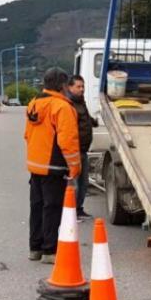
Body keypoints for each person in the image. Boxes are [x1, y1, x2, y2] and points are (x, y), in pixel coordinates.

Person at [25, 67, 82, 264]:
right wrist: (74, 166)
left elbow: (27, 135)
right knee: (52, 208)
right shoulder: (62, 107)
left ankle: (35, 248)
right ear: (62, 85)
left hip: (36, 165)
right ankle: (49, 251)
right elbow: (68, 140)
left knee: (37, 207)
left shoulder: (34, 103)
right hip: (54, 166)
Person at [65, 75, 95, 220]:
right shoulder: (68, 104)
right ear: (70, 87)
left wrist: (92, 122)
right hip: (74, 151)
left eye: (83, 86)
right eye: (78, 86)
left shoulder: (80, 102)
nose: (82, 89)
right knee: (74, 184)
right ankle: (71, 212)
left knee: (84, 183)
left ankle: (79, 209)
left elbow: (84, 119)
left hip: (83, 150)